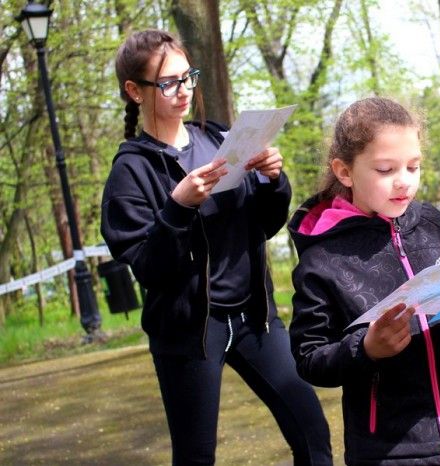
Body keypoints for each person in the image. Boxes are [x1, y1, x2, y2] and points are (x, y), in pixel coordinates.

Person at [100, 29, 331, 466]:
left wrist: (272, 180)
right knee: (195, 455)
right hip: (190, 332)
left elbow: (263, 225)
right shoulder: (131, 172)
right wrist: (178, 207)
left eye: (189, 77)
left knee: (311, 430)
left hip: (255, 317)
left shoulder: (219, 138)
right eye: (168, 83)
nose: (184, 90)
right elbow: (148, 267)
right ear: (134, 90)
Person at [288, 97, 440, 465]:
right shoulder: (322, 260)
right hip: (388, 451)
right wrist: (366, 348)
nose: (404, 182)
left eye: (414, 166)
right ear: (345, 172)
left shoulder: (432, 223)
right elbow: (310, 358)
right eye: (385, 169)